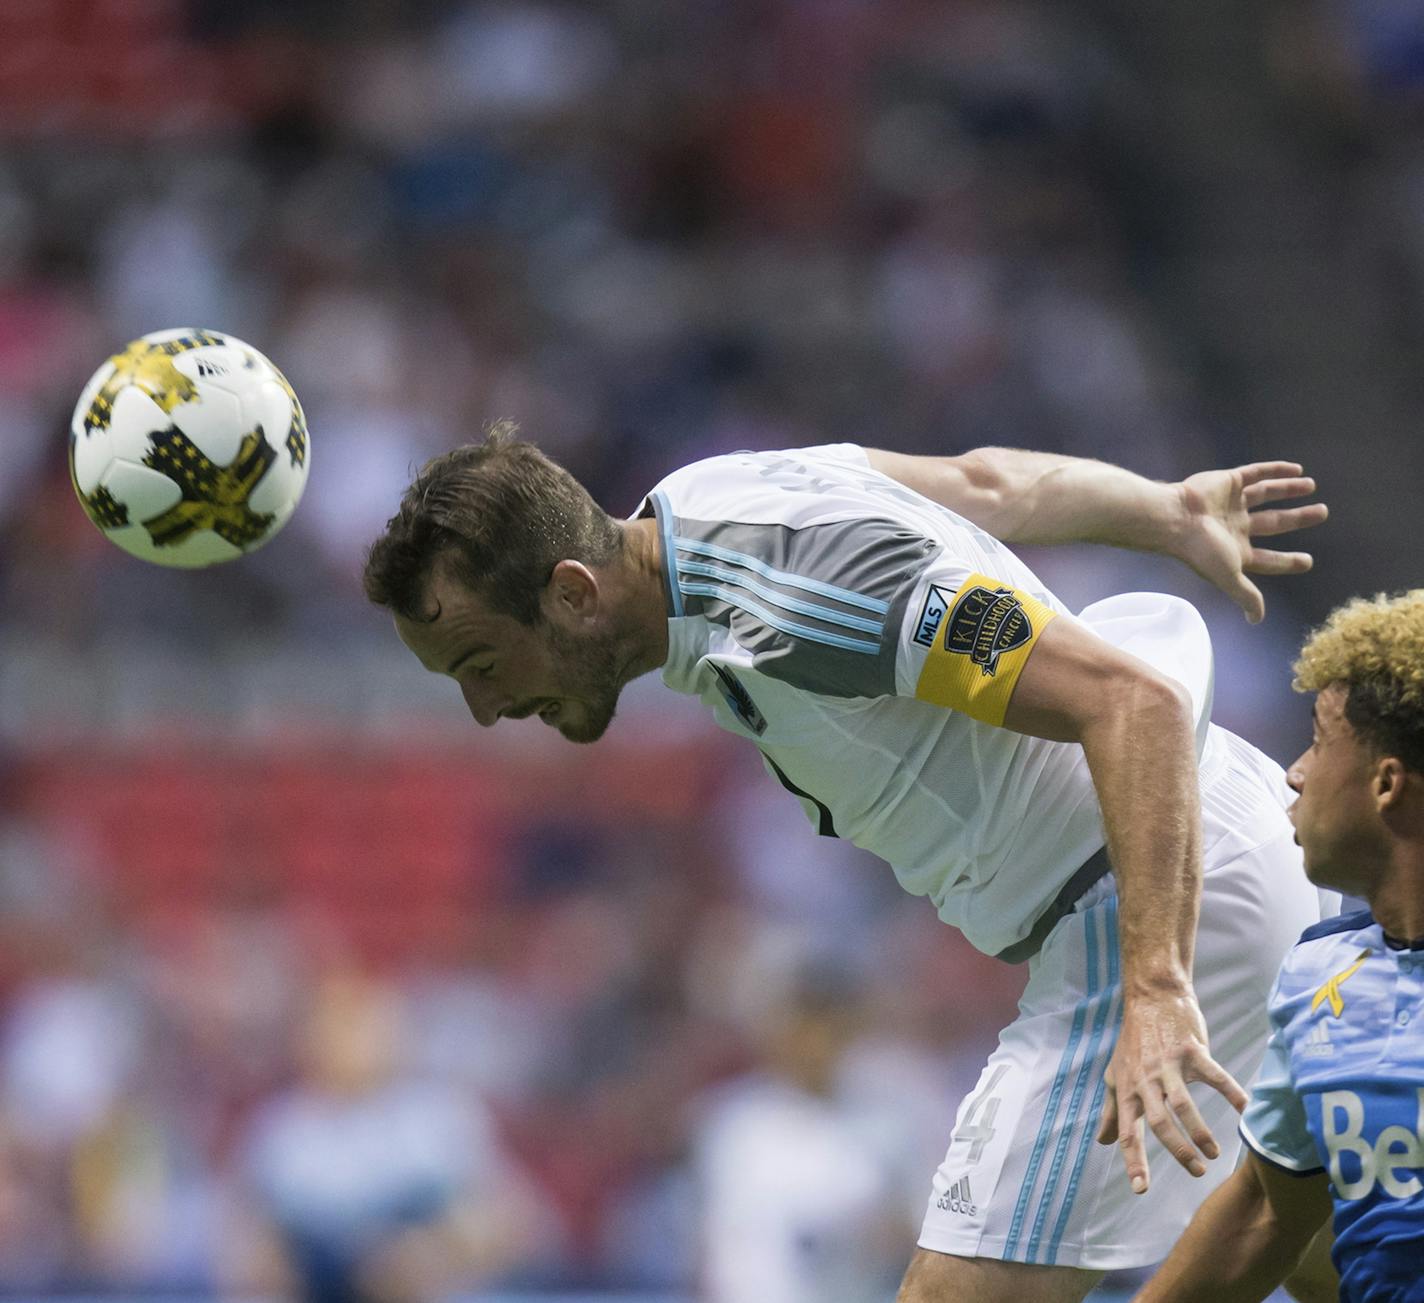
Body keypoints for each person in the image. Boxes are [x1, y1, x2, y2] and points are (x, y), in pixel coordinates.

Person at [364, 427, 1334, 1303]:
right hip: (1221, 849)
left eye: (480, 664)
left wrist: (1155, 984)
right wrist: (1163, 509)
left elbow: (1132, 703)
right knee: (1321, 1257)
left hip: (1154, 898)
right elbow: (981, 482)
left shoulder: (794, 602)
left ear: (571, 591)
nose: (485, 710)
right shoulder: (707, 495)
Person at [1134, 589, 1424, 1303]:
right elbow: (1266, 1211)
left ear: (1386, 783)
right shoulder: (1323, 974)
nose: (1294, 772)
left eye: (1321, 743)